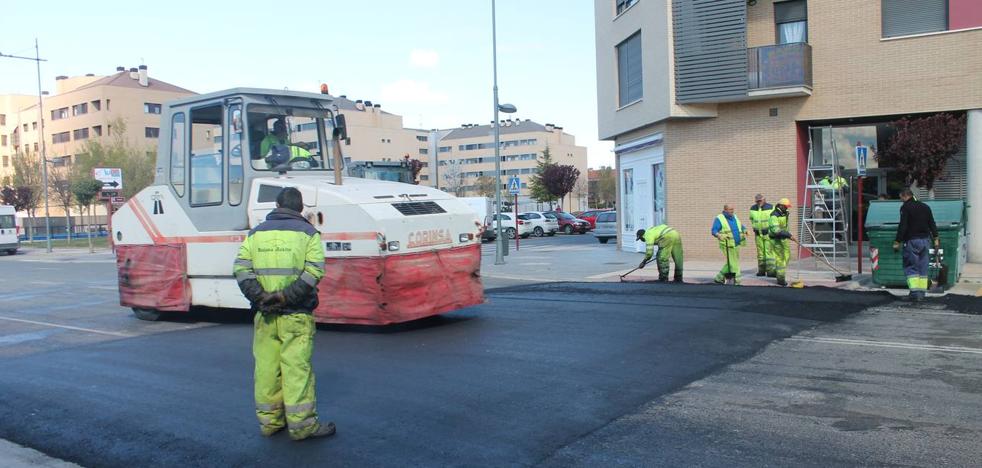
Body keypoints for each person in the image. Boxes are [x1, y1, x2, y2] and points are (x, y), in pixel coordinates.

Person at [233, 187, 335, 441]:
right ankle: (302, 427)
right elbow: (313, 272)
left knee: (267, 368)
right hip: (296, 315)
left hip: (264, 315)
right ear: (300, 208)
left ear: (277, 205)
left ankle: (270, 423)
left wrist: (261, 297)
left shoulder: (255, 235)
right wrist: (285, 297)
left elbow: (241, 269)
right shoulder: (309, 234)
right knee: (296, 368)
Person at [894, 188, 939, 302]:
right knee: (923, 267)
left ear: (905, 196)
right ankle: (922, 293)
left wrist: (897, 241)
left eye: (901, 198)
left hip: (912, 241)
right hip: (925, 240)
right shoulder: (925, 206)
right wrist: (936, 238)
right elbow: (932, 223)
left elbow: (903, 226)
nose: (901, 200)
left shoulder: (905, 207)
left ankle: (914, 293)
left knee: (911, 266)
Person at [711, 204, 747, 285]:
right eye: (730, 210)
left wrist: (744, 229)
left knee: (731, 262)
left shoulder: (734, 216)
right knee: (733, 264)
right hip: (727, 244)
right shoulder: (719, 218)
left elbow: (739, 225)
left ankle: (719, 278)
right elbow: (714, 230)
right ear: (725, 210)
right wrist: (719, 235)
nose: (732, 211)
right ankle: (737, 281)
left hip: (736, 243)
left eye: (733, 209)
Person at [768, 198, 794, 286]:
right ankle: (780, 278)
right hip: (776, 239)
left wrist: (788, 236)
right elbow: (776, 230)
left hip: (784, 238)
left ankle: (777, 271)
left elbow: (784, 226)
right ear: (781, 206)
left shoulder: (785, 213)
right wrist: (788, 235)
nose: (787, 208)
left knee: (787, 256)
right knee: (780, 258)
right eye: (786, 207)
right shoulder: (774, 216)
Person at [748, 194, 774, 277]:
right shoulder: (752, 208)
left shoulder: (771, 207)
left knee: (769, 253)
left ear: (764, 199)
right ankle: (761, 271)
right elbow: (752, 219)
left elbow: (774, 220)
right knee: (760, 254)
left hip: (768, 234)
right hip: (758, 234)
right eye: (757, 201)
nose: (759, 202)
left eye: (760, 200)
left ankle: (771, 272)